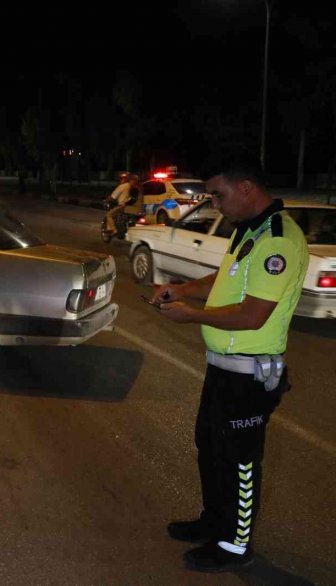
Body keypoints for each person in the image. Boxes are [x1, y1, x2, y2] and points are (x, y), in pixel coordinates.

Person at [151, 151, 308, 572]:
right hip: (222, 368)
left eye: (218, 195)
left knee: (240, 462)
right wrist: (184, 290)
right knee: (210, 447)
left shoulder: (278, 239)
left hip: (249, 375)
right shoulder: (248, 230)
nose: (215, 204)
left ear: (246, 187)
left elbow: (254, 314)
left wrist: (192, 316)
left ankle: (237, 545)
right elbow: (225, 282)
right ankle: (214, 521)